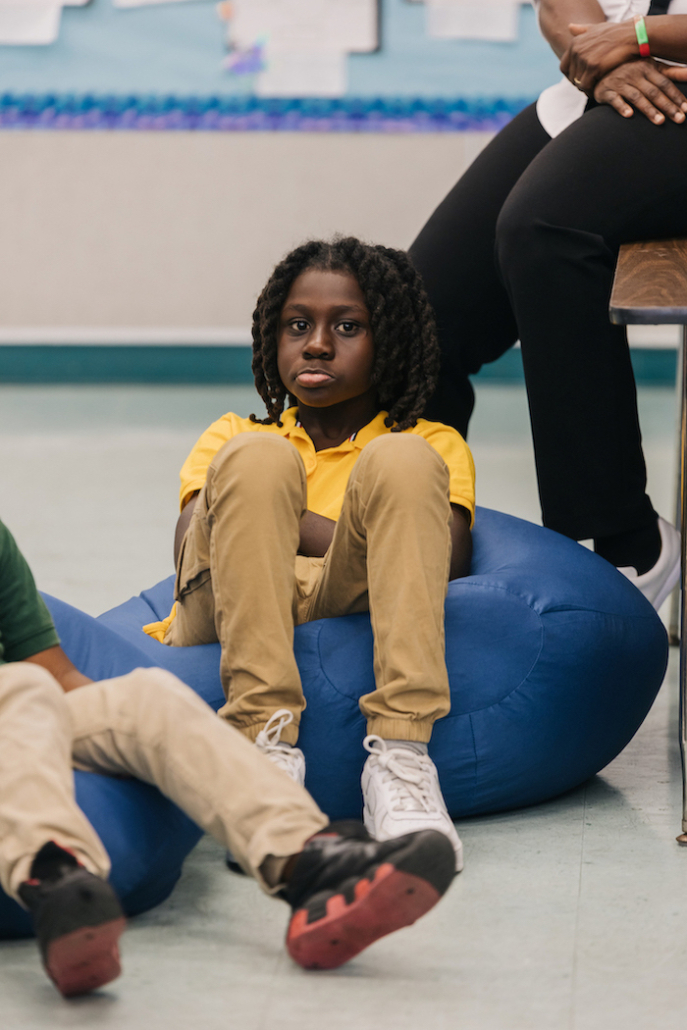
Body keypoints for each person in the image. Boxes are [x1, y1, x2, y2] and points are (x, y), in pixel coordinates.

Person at [0, 516, 455, 997]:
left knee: (148, 695)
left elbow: (57, 675)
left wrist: (118, 740)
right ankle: (55, 878)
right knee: (22, 686)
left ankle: (307, 863)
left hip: (20, 709)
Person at [144, 237, 475, 871]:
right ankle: (264, 754)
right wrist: (354, 524)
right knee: (257, 460)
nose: (317, 344)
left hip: (340, 590)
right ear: (273, 338)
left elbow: (447, 561)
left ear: (389, 342)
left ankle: (401, 757)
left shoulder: (432, 443)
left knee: (403, 459)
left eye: (347, 327)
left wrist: (275, 518)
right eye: (298, 325)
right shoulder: (235, 435)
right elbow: (193, 543)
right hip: (229, 598)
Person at [409, 0, 687, 610]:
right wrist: (603, 59)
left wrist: (639, 36)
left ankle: (625, 542)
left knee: (545, 228)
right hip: (598, 87)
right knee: (417, 317)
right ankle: (416, 547)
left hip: (675, 88)